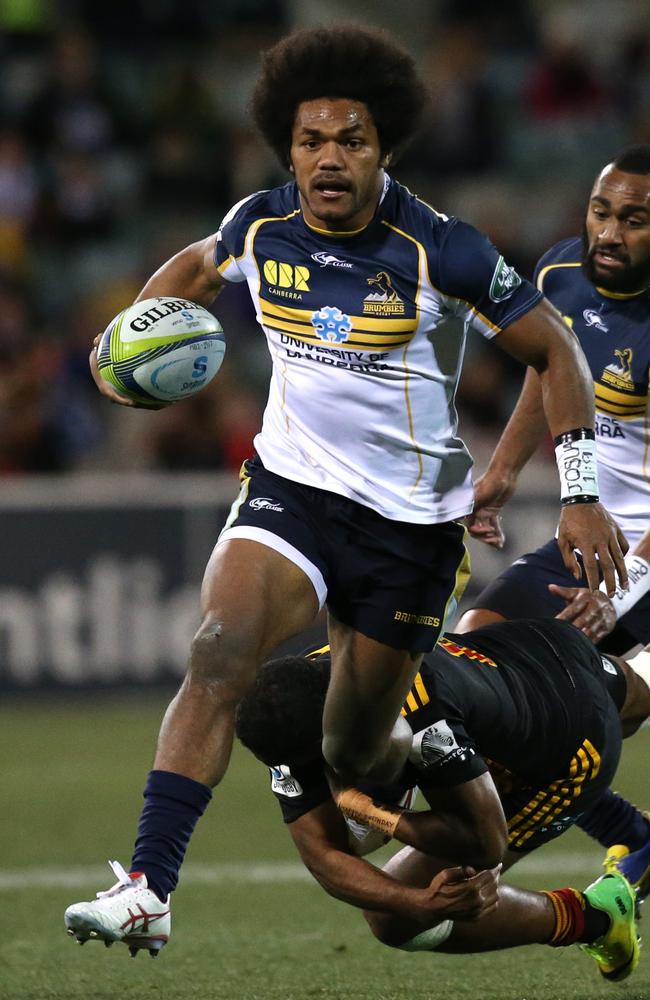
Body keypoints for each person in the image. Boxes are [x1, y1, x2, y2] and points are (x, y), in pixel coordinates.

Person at [65, 25, 627, 952]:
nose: (329, 159)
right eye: (312, 141)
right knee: (218, 650)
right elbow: (198, 267)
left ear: (383, 148)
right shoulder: (261, 222)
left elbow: (551, 350)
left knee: (352, 754)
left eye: (351, 141)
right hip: (293, 488)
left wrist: (577, 493)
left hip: (408, 530)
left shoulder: (439, 248)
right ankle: (148, 887)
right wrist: (128, 338)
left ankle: (494, 815)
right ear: (288, 148)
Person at [231, 618, 649, 981]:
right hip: (537, 648)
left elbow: (485, 842)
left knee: (391, 922)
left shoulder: (420, 714)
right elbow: (322, 855)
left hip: (573, 750)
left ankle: (597, 918)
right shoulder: (305, 689)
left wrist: (377, 812)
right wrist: (419, 901)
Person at [457, 146, 650, 867]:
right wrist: (500, 473)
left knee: (580, 707)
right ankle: (632, 834)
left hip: (640, 557)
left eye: (634, 221)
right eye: (602, 212)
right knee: (472, 656)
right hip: (593, 536)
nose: (609, 233)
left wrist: (622, 590)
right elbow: (548, 370)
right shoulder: (560, 275)